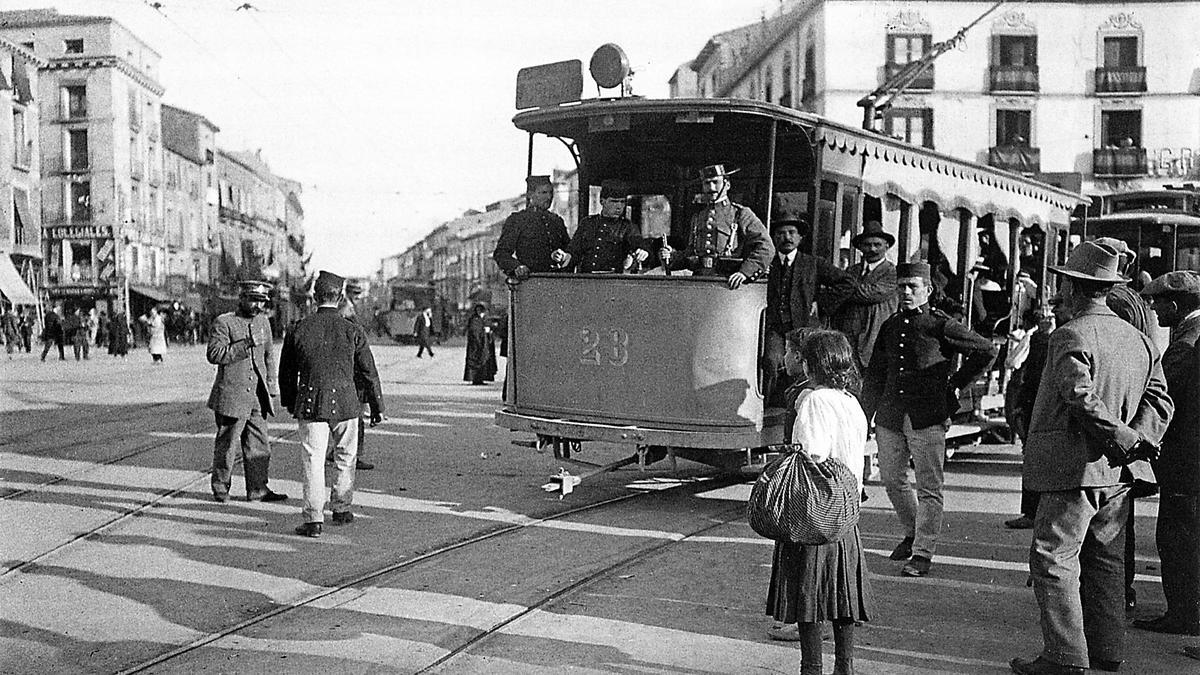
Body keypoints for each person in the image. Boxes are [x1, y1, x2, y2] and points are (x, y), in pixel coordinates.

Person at [1010, 240, 1173, 675]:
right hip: (1118, 473)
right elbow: (1161, 400)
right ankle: (1107, 651)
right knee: (1106, 562)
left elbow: (1079, 398)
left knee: (1053, 558)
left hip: (1074, 468)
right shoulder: (1137, 337)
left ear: (1073, 286)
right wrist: (1136, 441)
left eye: (1064, 284)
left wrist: (1119, 437)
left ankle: (1064, 658)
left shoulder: (1072, 333)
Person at [860, 261, 996, 578]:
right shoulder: (890, 325)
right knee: (892, 479)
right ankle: (911, 533)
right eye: (902, 287)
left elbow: (986, 349)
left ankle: (923, 552)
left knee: (929, 487)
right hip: (891, 415)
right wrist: (863, 416)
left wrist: (955, 385)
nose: (906, 292)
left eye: (913, 287)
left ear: (928, 291)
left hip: (927, 416)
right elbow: (876, 375)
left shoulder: (940, 325)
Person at [765, 329, 873, 675]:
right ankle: (846, 667)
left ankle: (811, 669)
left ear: (812, 364)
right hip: (846, 510)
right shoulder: (851, 402)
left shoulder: (813, 400)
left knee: (808, 596)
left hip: (815, 510)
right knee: (842, 596)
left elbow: (810, 454)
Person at [280, 270, 384, 538]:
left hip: (312, 404)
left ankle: (314, 519)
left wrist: (292, 403)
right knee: (346, 458)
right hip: (348, 404)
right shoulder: (353, 330)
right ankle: (342, 509)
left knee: (313, 461)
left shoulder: (298, 329)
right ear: (339, 298)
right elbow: (368, 371)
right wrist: (376, 406)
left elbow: (287, 374)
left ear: (315, 297)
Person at [1132, 271, 1200, 636]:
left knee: (1177, 537)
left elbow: (1164, 396)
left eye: (1157, 303)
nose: (1153, 310)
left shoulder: (1186, 344)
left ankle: (1184, 615)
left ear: (1174, 305)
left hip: (1186, 462)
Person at [205, 280, 287, 504]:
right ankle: (221, 488)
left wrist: (271, 387)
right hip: (232, 395)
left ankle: (258, 489)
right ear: (240, 298)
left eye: (261, 301)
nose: (257, 306)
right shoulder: (224, 322)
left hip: (257, 397)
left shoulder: (263, 322)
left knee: (260, 444)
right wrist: (246, 344)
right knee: (228, 444)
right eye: (253, 300)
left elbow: (269, 356)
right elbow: (215, 354)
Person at [763, 217, 853, 406]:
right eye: (780, 233)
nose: (786, 237)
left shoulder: (812, 263)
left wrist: (821, 303)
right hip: (775, 327)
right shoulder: (767, 263)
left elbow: (847, 283)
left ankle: (803, 406)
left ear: (800, 237)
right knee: (771, 363)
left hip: (804, 327)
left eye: (791, 233)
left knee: (806, 367)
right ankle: (768, 409)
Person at [661, 164, 774, 290]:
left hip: (728, 285)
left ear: (727, 185)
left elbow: (766, 247)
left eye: (716, 182)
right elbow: (691, 253)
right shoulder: (698, 217)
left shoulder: (740, 214)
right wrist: (671, 257)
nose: (711, 188)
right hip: (699, 283)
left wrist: (745, 273)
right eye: (707, 183)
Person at [834, 220, 900, 370]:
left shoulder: (893, 273)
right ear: (860, 248)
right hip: (849, 337)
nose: (872, 249)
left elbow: (868, 294)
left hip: (875, 337)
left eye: (877, 244)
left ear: (886, 246)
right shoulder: (852, 271)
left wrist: (845, 289)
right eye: (867, 245)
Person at [492, 175, 571, 280]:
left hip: (557, 281)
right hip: (530, 281)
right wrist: (516, 267)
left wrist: (564, 256)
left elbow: (569, 251)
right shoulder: (518, 220)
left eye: (551, 193)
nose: (549, 197)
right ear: (530, 195)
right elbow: (501, 253)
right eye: (543, 193)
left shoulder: (556, 221)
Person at [567, 179, 649, 274]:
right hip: (586, 279)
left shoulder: (628, 227)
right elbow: (573, 251)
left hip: (612, 282)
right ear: (602, 201)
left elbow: (641, 246)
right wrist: (564, 257)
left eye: (622, 202)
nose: (619, 207)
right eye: (614, 202)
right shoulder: (587, 224)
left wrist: (644, 252)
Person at [338, 280, 376, 471]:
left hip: (350, 367)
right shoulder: (345, 308)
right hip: (353, 369)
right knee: (357, 415)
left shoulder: (348, 306)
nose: (358, 297)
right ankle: (356, 456)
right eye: (355, 293)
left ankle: (337, 451)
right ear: (349, 292)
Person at [464, 303, 497, 385]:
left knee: (483, 360)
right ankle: (476, 379)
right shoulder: (474, 319)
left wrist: (489, 331)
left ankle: (481, 378)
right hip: (475, 345)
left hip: (482, 344)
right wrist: (484, 331)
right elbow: (474, 331)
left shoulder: (483, 319)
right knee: (476, 361)